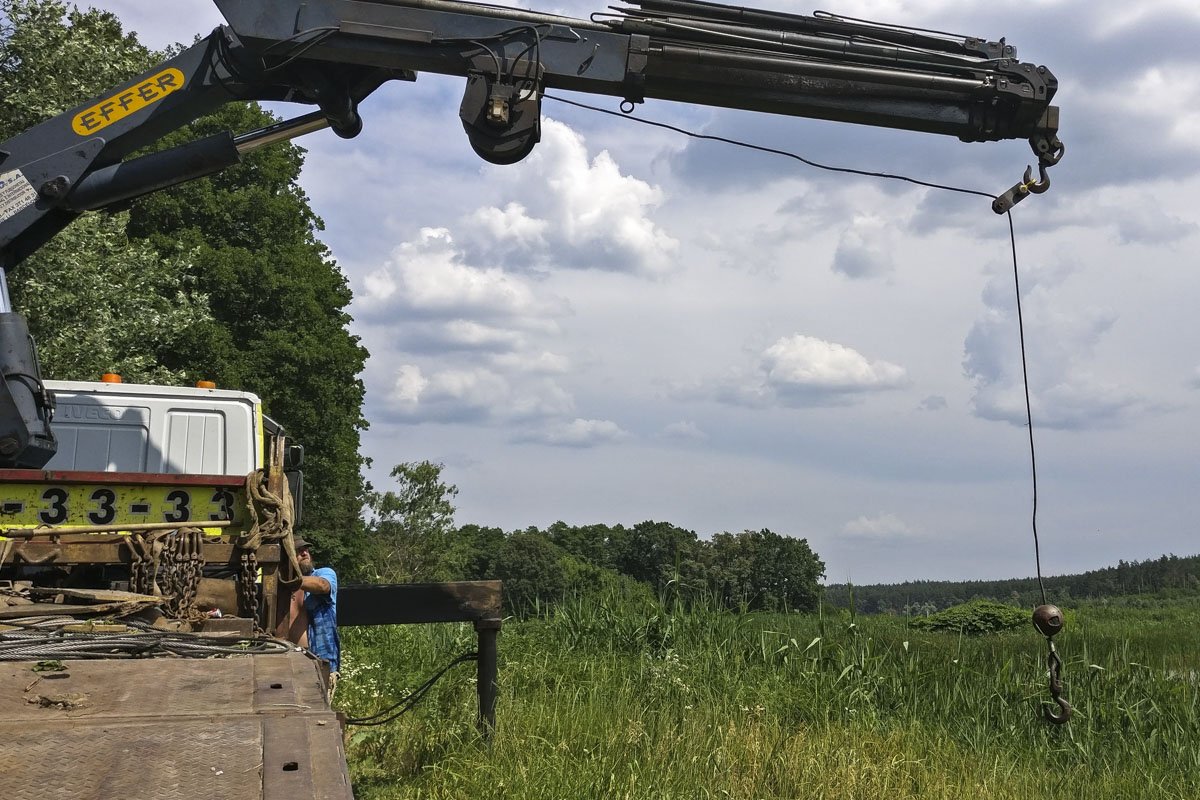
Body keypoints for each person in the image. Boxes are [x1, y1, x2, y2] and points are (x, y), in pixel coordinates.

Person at [295, 536, 340, 696]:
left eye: (305, 549)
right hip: (289, 658)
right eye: (298, 551)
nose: (304, 553)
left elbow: (323, 586)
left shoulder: (324, 573)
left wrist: (291, 580)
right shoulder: (279, 589)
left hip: (320, 659)